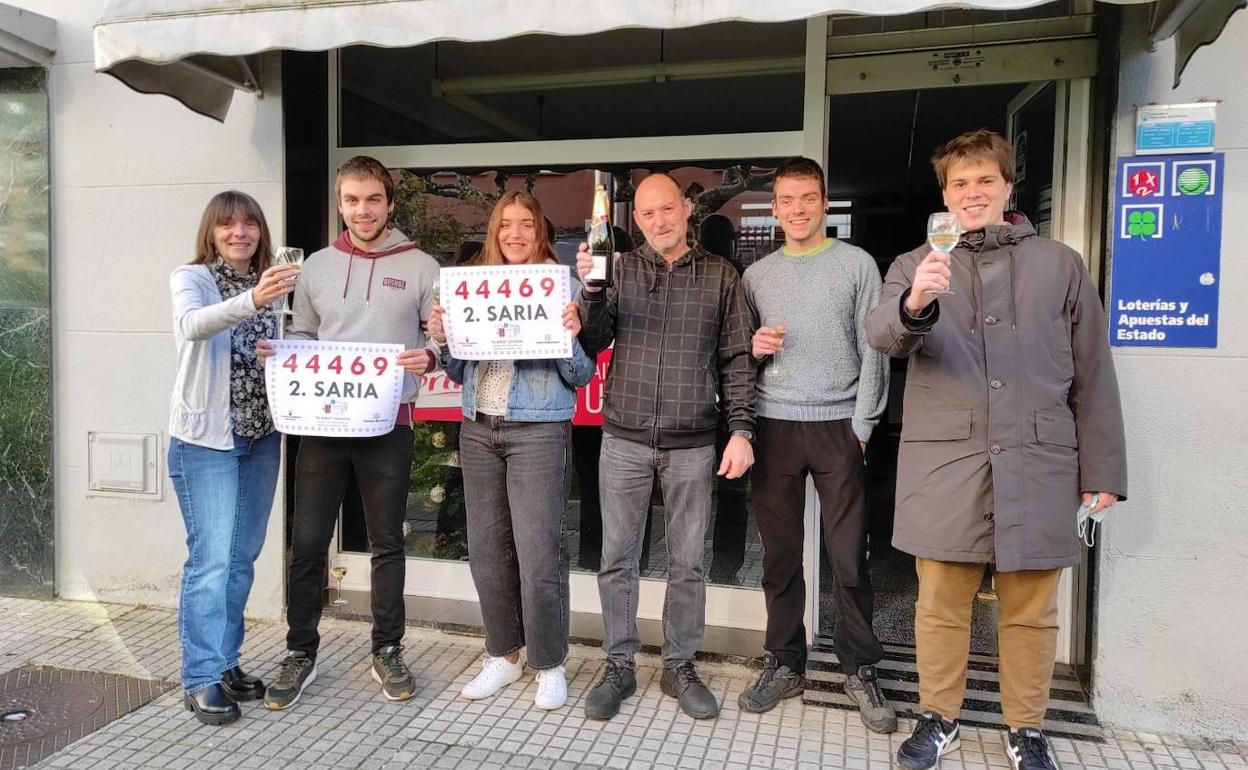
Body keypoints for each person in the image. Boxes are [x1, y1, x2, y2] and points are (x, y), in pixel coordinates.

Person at [865, 129, 1126, 770]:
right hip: (948, 462)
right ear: (944, 195)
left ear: (1009, 186)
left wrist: (1104, 470)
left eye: (985, 180)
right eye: (959, 183)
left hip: (1039, 459)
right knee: (940, 603)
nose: (972, 192)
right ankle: (939, 717)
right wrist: (917, 300)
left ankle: (1027, 727)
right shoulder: (916, 263)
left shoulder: (1060, 264)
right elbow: (883, 335)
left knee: (1031, 609)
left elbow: (1092, 370)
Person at [256, 155, 441, 710]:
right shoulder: (314, 267)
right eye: (352, 200)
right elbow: (307, 335)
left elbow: (442, 338)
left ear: (389, 202)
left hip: (389, 423)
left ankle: (387, 648)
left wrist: (429, 355)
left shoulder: (422, 266)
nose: (363, 211)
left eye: (373, 200)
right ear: (340, 204)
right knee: (308, 543)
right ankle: (300, 652)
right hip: (323, 424)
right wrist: (285, 355)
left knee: (387, 543)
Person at [576, 173, 756, 721]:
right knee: (617, 559)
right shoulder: (620, 269)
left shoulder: (722, 276)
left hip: (692, 441)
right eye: (647, 214)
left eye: (667, 209)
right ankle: (620, 665)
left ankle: (679, 665)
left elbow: (737, 360)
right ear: (637, 221)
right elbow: (591, 339)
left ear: (687, 209)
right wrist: (589, 290)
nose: (658, 221)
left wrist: (742, 430)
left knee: (687, 562)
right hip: (624, 437)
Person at [737, 157, 896, 733]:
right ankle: (784, 661)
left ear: (823, 202)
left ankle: (859, 668)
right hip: (774, 423)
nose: (798, 209)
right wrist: (754, 350)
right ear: (774, 208)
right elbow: (739, 357)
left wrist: (863, 425)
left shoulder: (856, 265)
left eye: (808, 198)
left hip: (839, 424)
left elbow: (875, 346)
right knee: (779, 556)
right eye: (787, 200)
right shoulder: (756, 276)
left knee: (850, 554)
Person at [426, 191, 593, 710]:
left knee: (539, 550)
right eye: (505, 226)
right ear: (495, 233)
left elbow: (581, 375)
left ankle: (549, 662)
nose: (514, 234)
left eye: (525, 225)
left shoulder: (561, 286)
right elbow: (455, 370)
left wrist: (568, 335)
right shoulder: (473, 285)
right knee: (488, 550)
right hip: (478, 426)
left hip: (538, 430)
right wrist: (444, 337)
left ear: (539, 231)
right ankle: (504, 653)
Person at [168, 191, 299, 725]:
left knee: (242, 559)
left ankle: (225, 664)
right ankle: (199, 677)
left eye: (249, 223)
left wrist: (279, 349)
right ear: (212, 232)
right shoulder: (193, 277)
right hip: (207, 441)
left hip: (261, 436)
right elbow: (194, 325)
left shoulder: (272, 280)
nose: (240, 232)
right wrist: (254, 301)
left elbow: (276, 347)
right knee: (211, 563)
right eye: (228, 225)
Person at [697, 212, 750, 586]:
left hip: (700, 401)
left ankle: (698, 566)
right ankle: (726, 567)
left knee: (695, 495)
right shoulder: (741, 277)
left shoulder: (706, 276)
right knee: (732, 490)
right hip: (732, 402)